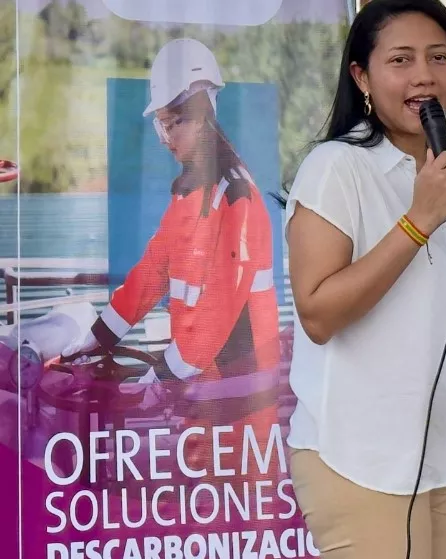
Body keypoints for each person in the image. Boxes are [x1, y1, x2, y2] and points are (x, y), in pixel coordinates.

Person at [283, 0, 446, 557]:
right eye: (401, 60)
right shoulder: (336, 168)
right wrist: (418, 221)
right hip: (361, 455)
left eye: (439, 58)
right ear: (362, 76)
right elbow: (319, 315)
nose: (424, 75)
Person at [61, 38, 282, 489]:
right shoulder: (188, 194)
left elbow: (215, 317)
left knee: (238, 502)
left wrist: (156, 377)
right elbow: (150, 275)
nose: (166, 139)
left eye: (175, 123)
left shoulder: (235, 197)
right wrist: (95, 340)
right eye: (162, 125)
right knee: (201, 503)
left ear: (205, 114)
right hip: (200, 389)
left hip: (239, 398)